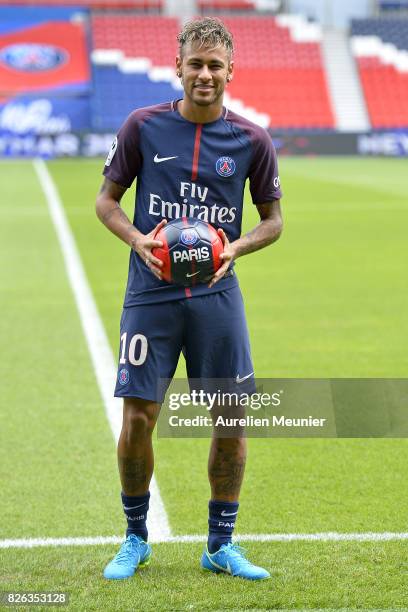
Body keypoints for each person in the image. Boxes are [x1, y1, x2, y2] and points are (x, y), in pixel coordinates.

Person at [96, 16, 283, 581]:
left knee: (231, 421)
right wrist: (139, 239)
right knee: (138, 418)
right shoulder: (141, 127)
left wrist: (237, 247)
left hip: (216, 297)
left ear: (230, 72)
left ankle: (220, 545)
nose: (205, 74)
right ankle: (134, 538)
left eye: (215, 66)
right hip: (150, 295)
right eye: (195, 64)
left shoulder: (252, 140)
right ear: (178, 67)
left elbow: (273, 221)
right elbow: (106, 202)